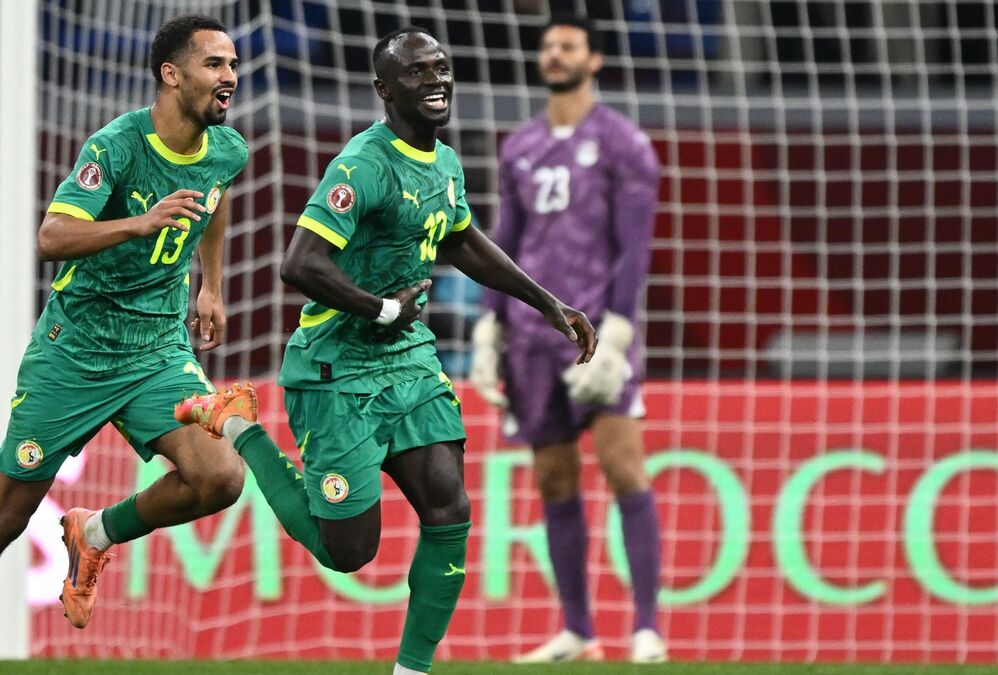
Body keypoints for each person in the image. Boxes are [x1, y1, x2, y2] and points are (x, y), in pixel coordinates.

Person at [174, 27, 596, 675]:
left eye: (441, 67)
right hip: (336, 366)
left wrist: (546, 302)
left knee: (450, 509)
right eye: (417, 72)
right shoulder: (363, 165)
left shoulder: (444, 162)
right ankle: (241, 427)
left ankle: (411, 670)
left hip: (407, 361)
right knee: (348, 552)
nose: (436, 79)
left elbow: (460, 239)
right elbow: (300, 264)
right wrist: (383, 309)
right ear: (384, 90)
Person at [0, 15, 247, 629]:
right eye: (214, 64)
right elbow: (52, 237)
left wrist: (211, 285)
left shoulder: (228, 149)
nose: (230, 77)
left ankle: (94, 533)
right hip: (77, 350)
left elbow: (214, 197)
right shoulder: (115, 146)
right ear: (172, 74)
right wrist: (140, 222)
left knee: (219, 478)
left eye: (233, 65)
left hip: (156, 349)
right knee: (8, 516)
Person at [469, 14, 666, 665]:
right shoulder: (519, 147)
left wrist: (619, 331)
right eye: (549, 46)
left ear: (594, 59)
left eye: (568, 46)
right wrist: (489, 326)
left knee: (622, 464)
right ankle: (578, 629)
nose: (555, 54)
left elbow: (634, 248)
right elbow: (505, 241)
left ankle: (646, 628)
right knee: (554, 478)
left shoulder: (624, 143)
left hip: (598, 332)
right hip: (531, 336)